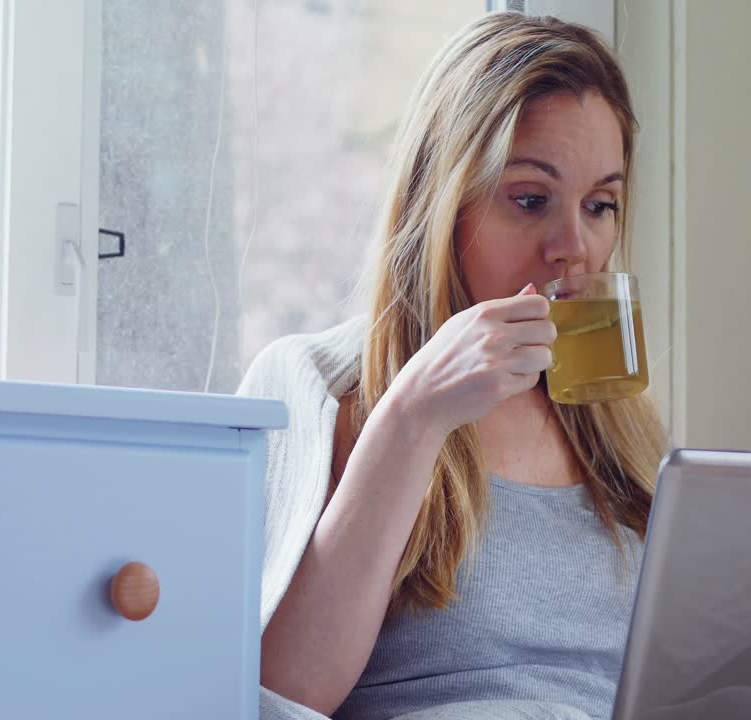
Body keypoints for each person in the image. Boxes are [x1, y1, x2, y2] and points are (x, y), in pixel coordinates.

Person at [240, 12, 671, 720]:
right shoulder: (322, 389)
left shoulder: (618, 427)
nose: (576, 246)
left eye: (601, 206)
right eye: (530, 199)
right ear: (442, 200)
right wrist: (414, 415)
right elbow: (279, 696)